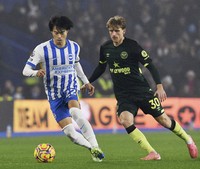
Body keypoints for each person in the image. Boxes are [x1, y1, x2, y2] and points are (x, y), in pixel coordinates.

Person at [86, 15, 198, 160]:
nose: (114, 34)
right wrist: (89, 81)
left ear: (124, 31)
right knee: (125, 120)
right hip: (124, 95)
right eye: (111, 31)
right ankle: (153, 152)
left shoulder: (132, 46)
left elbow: (150, 65)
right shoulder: (105, 48)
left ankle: (188, 139)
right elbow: (101, 67)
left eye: (117, 31)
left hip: (142, 91)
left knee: (163, 120)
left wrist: (159, 86)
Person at [22, 15, 104, 162]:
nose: (59, 36)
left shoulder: (74, 47)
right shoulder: (41, 49)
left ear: (67, 32)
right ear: (51, 32)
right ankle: (92, 149)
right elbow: (25, 70)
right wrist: (36, 72)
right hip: (54, 94)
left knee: (75, 112)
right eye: (56, 32)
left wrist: (86, 82)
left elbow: (76, 65)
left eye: (62, 32)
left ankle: (96, 146)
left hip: (71, 87)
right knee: (71, 134)